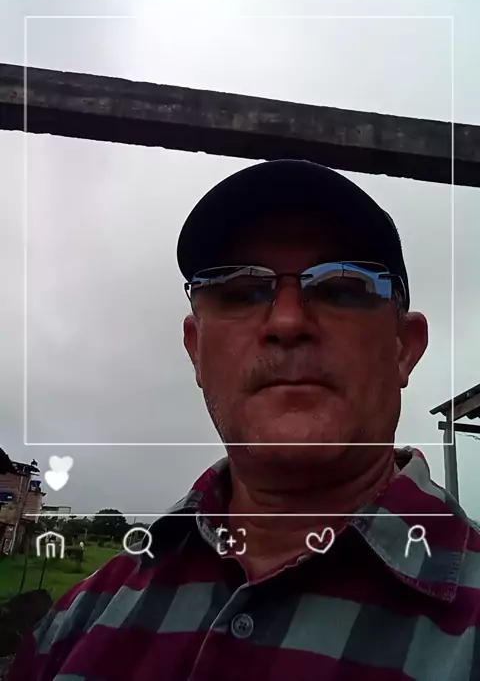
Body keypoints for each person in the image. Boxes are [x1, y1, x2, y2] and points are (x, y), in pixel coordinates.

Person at [9, 160, 480, 681]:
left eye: (342, 287)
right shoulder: (77, 624)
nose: (287, 321)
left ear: (403, 349)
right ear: (196, 351)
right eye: (238, 291)